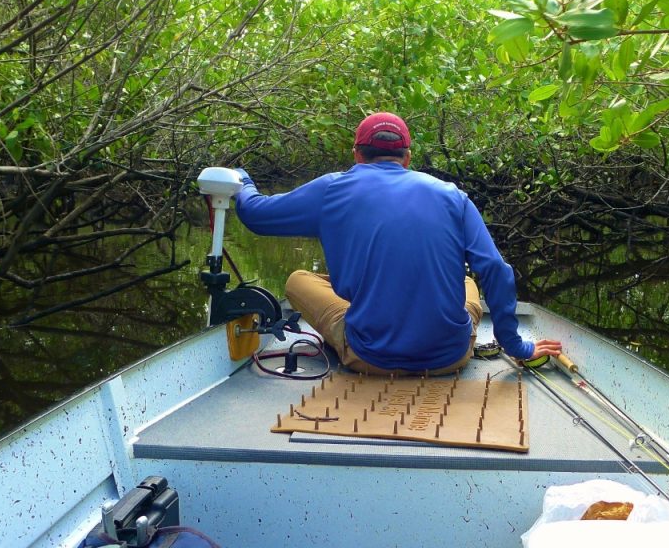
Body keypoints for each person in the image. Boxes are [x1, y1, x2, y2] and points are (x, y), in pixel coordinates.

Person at [233, 112, 561, 374]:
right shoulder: (452, 195)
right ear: (407, 158)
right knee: (466, 281)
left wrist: (242, 180)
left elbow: (254, 214)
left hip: (370, 358)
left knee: (298, 280)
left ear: (357, 155)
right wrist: (517, 346)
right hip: (450, 358)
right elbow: (496, 271)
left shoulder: (332, 189)